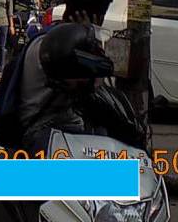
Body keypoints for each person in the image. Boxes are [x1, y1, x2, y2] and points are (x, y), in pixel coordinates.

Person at [16, 22, 115, 155]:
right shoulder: (61, 51)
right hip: (44, 129)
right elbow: (92, 81)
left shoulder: (43, 40)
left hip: (44, 123)